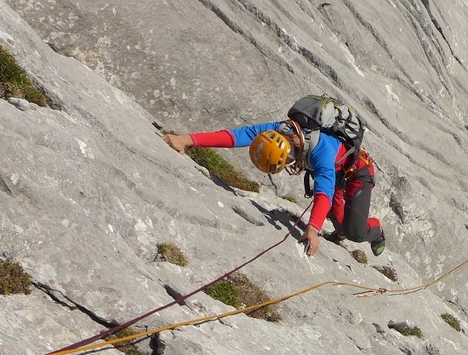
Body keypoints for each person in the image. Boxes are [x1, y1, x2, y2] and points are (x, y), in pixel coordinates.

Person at [163, 98, 387, 257]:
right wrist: (187, 139)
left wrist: (312, 229)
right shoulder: (278, 130)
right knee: (341, 227)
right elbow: (235, 136)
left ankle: (376, 232)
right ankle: (341, 231)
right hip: (337, 172)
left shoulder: (322, 152)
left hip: (357, 172)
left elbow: (323, 193)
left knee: (355, 232)